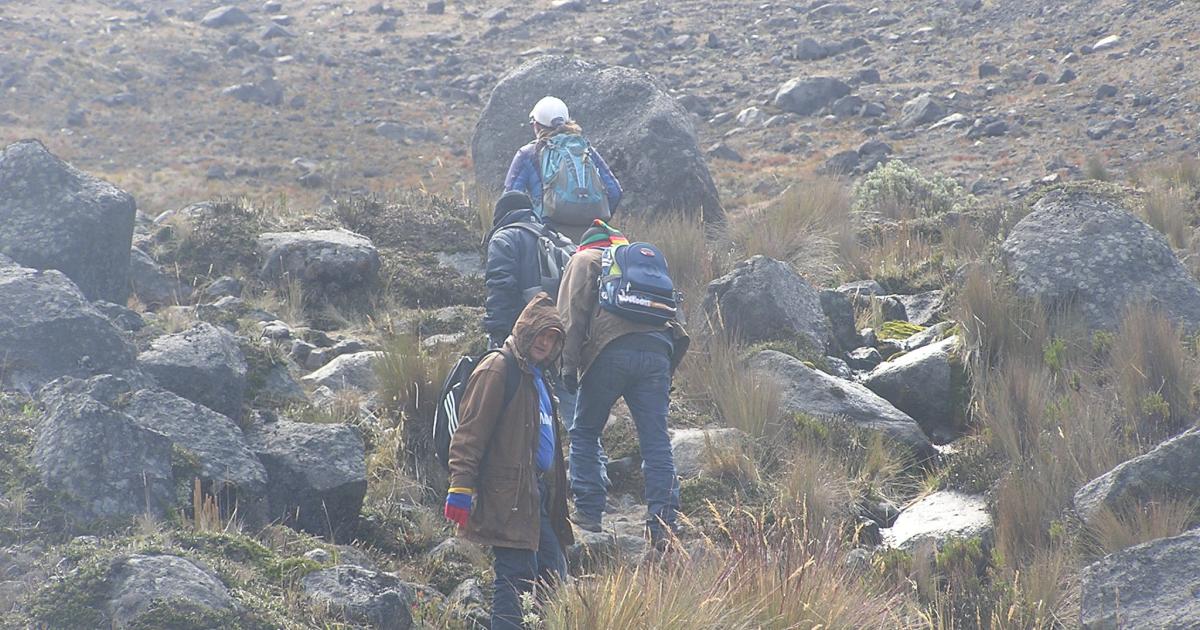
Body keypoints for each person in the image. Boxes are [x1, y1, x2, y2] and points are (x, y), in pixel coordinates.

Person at [444, 294, 574, 630]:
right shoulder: (497, 369)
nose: (545, 343)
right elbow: (469, 434)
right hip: (508, 497)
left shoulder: (537, 377)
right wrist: (460, 488)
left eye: (552, 338)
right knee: (514, 578)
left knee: (552, 573)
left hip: (536, 496)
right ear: (525, 330)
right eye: (540, 335)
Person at [556, 221, 690, 546]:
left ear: (586, 244)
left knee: (586, 430)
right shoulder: (642, 266)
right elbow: (674, 320)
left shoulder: (585, 260)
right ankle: (663, 524)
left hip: (609, 351)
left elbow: (571, 316)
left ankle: (589, 511)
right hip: (658, 352)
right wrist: (665, 370)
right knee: (656, 441)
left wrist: (567, 367)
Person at [482, 190, 579, 426]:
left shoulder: (505, 237)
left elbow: (500, 287)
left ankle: (525, 455)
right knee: (574, 412)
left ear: (500, 216)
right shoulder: (557, 238)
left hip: (525, 334)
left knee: (513, 401)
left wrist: (497, 335)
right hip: (561, 331)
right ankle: (591, 461)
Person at [504, 96, 622, 243]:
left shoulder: (528, 154)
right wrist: (594, 219)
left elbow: (510, 199)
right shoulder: (586, 149)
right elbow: (615, 192)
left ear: (537, 125)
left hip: (547, 236)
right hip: (591, 237)